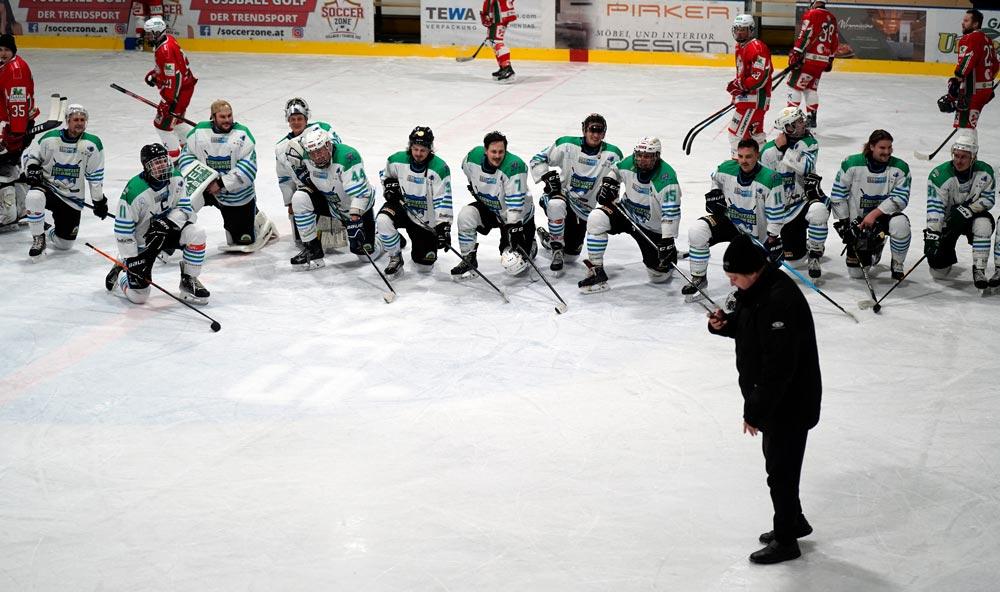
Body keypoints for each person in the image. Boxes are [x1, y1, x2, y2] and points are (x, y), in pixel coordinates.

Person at [707, 233, 821, 565]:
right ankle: (794, 521)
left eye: (734, 274)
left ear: (754, 270)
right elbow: (748, 327)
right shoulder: (754, 290)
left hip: (790, 402)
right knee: (779, 467)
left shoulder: (778, 300)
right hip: (776, 402)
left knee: (781, 473)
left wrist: (754, 412)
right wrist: (722, 325)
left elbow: (778, 369)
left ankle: (787, 540)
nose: (730, 280)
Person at [105, 143, 210, 304]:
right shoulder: (134, 192)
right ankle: (122, 270)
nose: (162, 166)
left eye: (163, 160)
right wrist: (131, 258)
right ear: (147, 167)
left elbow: (185, 208)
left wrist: (168, 222)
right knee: (139, 297)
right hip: (143, 243)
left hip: (167, 233)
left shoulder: (176, 177)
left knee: (197, 233)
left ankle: (189, 279)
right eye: (156, 163)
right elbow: (123, 230)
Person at [683, 138, 785, 300]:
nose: (744, 161)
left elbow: (776, 212)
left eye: (749, 157)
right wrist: (715, 195)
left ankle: (743, 293)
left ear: (757, 155)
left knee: (752, 271)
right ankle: (699, 278)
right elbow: (715, 179)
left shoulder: (771, 179)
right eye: (741, 156)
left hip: (756, 232)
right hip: (729, 222)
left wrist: (772, 238)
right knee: (697, 231)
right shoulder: (726, 169)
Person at [577, 137, 680, 293]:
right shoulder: (629, 163)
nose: (641, 159)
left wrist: (667, 239)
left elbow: (670, 212)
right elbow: (615, 170)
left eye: (647, 156)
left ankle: (671, 256)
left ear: (657, 156)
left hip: (652, 227)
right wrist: (609, 183)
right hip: (626, 213)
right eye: (639, 155)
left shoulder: (667, 179)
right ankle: (597, 271)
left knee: (658, 276)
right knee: (596, 218)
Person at [177, 99, 277, 253]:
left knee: (242, 240)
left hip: (235, 194)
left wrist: (221, 183)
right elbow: (186, 158)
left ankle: (260, 222)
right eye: (222, 117)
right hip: (206, 188)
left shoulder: (242, 134)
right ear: (213, 117)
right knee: (182, 204)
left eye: (229, 116)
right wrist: (205, 180)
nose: (227, 120)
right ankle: (171, 238)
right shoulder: (198, 133)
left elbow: (248, 169)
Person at [529, 113, 623, 276]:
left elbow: (620, 178)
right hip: (564, 198)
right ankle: (556, 246)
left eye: (599, 131)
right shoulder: (566, 145)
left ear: (604, 133)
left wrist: (611, 194)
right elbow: (537, 159)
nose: (595, 134)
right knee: (555, 204)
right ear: (584, 131)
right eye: (591, 130)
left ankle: (549, 239)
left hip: (585, 210)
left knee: (571, 257)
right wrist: (546, 177)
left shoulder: (613, 155)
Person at [22, 104, 106, 260]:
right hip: (48, 189)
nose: (79, 123)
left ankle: (46, 230)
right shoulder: (50, 139)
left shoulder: (92, 144)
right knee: (34, 196)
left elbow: (95, 176)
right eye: (75, 120)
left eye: (82, 119)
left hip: (71, 199)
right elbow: (31, 156)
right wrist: (32, 168)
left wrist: (99, 201)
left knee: (65, 244)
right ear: (68, 121)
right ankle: (38, 237)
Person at [288, 126, 378, 270]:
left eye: (319, 151)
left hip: (357, 208)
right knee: (300, 198)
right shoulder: (307, 158)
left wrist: (355, 220)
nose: (316, 157)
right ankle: (313, 250)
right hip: (332, 205)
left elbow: (360, 194)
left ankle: (381, 238)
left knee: (365, 256)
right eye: (312, 153)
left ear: (328, 145)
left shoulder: (348, 156)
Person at [830, 129, 911, 280]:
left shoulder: (900, 168)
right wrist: (844, 223)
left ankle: (897, 263)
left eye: (889, 147)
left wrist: (874, 214)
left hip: (884, 217)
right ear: (872, 146)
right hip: (859, 222)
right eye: (882, 148)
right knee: (856, 274)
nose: (887, 152)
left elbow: (901, 198)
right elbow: (838, 194)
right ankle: (875, 251)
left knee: (901, 224)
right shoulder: (852, 163)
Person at [452, 130, 535, 278]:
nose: (497, 156)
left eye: (501, 152)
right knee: (466, 215)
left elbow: (515, 204)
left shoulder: (514, 166)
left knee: (514, 265)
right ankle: (468, 258)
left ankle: (531, 245)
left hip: (517, 216)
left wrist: (514, 228)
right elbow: (467, 171)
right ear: (485, 151)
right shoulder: (472, 158)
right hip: (491, 209)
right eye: (493, 152)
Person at [760, 106, 830, 277]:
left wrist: (783, 150)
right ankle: (799, 245)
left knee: (819, 211)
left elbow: (805, 167)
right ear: (788, 128)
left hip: (801, 203)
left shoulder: (809, 141)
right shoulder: (768, 151)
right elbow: (762, 182)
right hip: (780, 210)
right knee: (795, 262)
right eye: (798, 122)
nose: (803, 122)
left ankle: (815, 253)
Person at [377, 126, 453, 278]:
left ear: (430, 149)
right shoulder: (396, 160)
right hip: (402, 208)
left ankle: (402, 241)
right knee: (383, 219)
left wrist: (443, 226)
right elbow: (385, 176)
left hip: (424, 220)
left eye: (422, 150)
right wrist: (389, 187)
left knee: (424, 267)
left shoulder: (439, 168)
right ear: (410, 147)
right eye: (415, 149)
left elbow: (443, 199)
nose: (418, 154)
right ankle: (394, 255)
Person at [924, 131, 995, 290]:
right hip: (947, 222)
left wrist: (968, 210)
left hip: (973, 217)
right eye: (956, 155)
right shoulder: (939, 175)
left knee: (983, 224)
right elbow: (935, 207)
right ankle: (944, 261)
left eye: (963, 157)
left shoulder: (985, 172)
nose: (958, 160)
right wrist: (933, 233)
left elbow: (989, 199)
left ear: (973, 157)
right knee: (938, 273)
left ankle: (979, 269)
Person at [274, 97, 345, 249]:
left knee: (334, 243)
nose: (296, 122)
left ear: (306, 118)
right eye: (292, 119)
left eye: (300, 118)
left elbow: (337, 152)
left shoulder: (322, 129)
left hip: (330, 184)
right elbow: (284, 177)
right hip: (306, 189)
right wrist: (289, 201)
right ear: (288, 120)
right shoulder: (280, 147)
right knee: (302, 241)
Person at [143, 16, 197, 161]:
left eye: (148, 32)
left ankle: (175, 159)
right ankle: (194, 150)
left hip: (178, 93)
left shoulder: (164, 51)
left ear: (156, 32)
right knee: (177, 122)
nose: (146, 35)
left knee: (162, 125)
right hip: (183, 89)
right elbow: (171, 69)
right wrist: (155, 74)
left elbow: (175, 77)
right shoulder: (167, 40)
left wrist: (168, 101)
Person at [938, 9, 997, 131]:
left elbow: (968, 59)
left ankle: (965, 149)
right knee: (970, 125)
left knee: (965, 127)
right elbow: (995, 65)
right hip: (984, 90)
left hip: (972, 90)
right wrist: (988, 84)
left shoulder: (971, 38)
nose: (962, 23)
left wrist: (957, 80)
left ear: (975, 24)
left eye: (966, 20)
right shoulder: (988, 40)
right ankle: (967, 148)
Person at [786, 0, 839, 128]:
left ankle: (791, 119)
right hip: (822, 61)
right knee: (811, 88)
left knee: (794, 86)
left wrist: (796, 52)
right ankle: (811, 118)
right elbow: (835, 40)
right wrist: (830, 58)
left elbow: (805, 34)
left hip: (807, 60)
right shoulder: (832, 18)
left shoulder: (811, 14)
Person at [727, 14, 773, 155]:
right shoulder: (740, 46)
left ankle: (737, 169)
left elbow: (758, 78)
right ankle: (767, 163)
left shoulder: (757, 47)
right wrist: (737, 93)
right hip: (749, 99)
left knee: (736, 136)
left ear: (751, 30)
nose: (739, 32)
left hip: (754, 100)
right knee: (756, 136)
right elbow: (743, 74)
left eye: (743, 29)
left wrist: (739, 86)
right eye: (737, 29)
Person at [0, 33, 36, 163]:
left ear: (13, 50)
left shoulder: (16, 72)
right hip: (9, 126)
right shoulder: (7, 65)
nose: (3, 53)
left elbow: (18, 105)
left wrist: (15, 138)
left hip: (16, 129)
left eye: (7, 50)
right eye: (0, 49)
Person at [480, 0, 516, 82]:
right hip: (503, 11)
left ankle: (508, 69)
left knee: (496, 41)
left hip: (498, 14)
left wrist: (485, 14)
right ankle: (503, 68)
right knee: (493, 40)